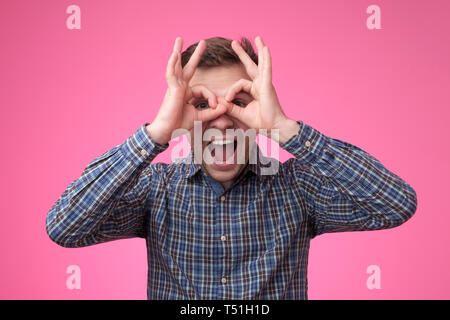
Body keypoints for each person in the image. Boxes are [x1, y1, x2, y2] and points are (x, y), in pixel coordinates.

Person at [46, 36, 417, 299]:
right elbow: (65, 227)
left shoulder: (298, 188)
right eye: (204, 105)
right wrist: (156, 132)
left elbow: (395, 204)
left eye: (238, 102)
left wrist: (286, 129)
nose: (222, 122)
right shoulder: (155, 190)